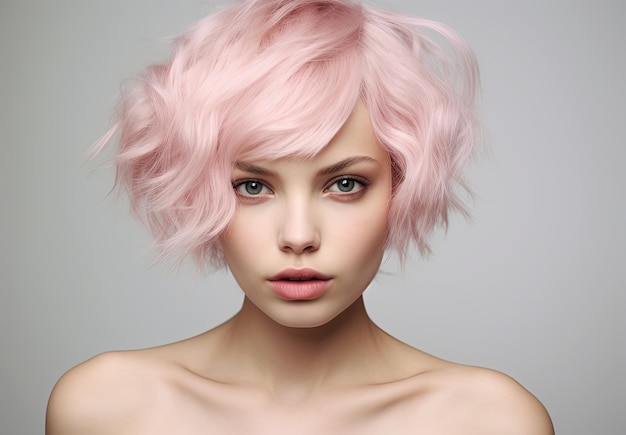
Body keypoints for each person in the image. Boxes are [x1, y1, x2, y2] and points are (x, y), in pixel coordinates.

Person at [46, 0, 554, 433]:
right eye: (252, 186)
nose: (298, 236)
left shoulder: (489, 420)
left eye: (345, 184)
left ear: (402, 188)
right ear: (198, 191)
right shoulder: (106, 409)